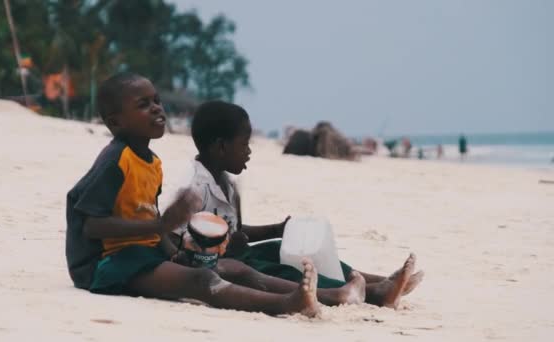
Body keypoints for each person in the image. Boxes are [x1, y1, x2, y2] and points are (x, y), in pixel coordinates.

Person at [65, 73, 321, 317]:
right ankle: (287, 304)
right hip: (104, 265)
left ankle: (323, 295)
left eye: (157, 100)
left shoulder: (152, 162)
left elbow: (151, 220)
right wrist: (161, 225)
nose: (156, 108)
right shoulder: (115, 161)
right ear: (115, 123)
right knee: (202, 279)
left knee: (230, 268)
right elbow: (92, 226)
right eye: (144, 105)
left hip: (138, 253)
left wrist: (173, 253)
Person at [168, 100, 423, 309]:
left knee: (283, 248)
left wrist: (276, 229)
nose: (249, 152)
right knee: (276, 269)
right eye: (244, 144)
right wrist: (215, 252)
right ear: (221, 147)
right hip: (212, 264)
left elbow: (237, 228)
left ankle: (378, 283)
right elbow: (175, 241)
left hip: (236, 252)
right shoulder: (193, 188)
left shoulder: (229, 182)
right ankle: (357, 294)